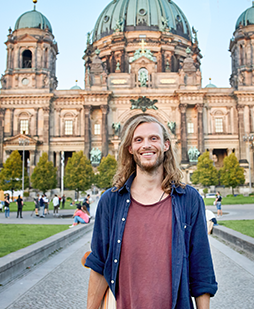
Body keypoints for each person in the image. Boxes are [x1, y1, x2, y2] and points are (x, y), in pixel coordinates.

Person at [85, 114, 217, 309]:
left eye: (153, 138)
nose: (146, 145)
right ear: (130, 149)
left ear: (166, 145)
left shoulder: (188, 200)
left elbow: (201, 266)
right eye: (139, 140)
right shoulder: (110, 202)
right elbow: (99, 264)